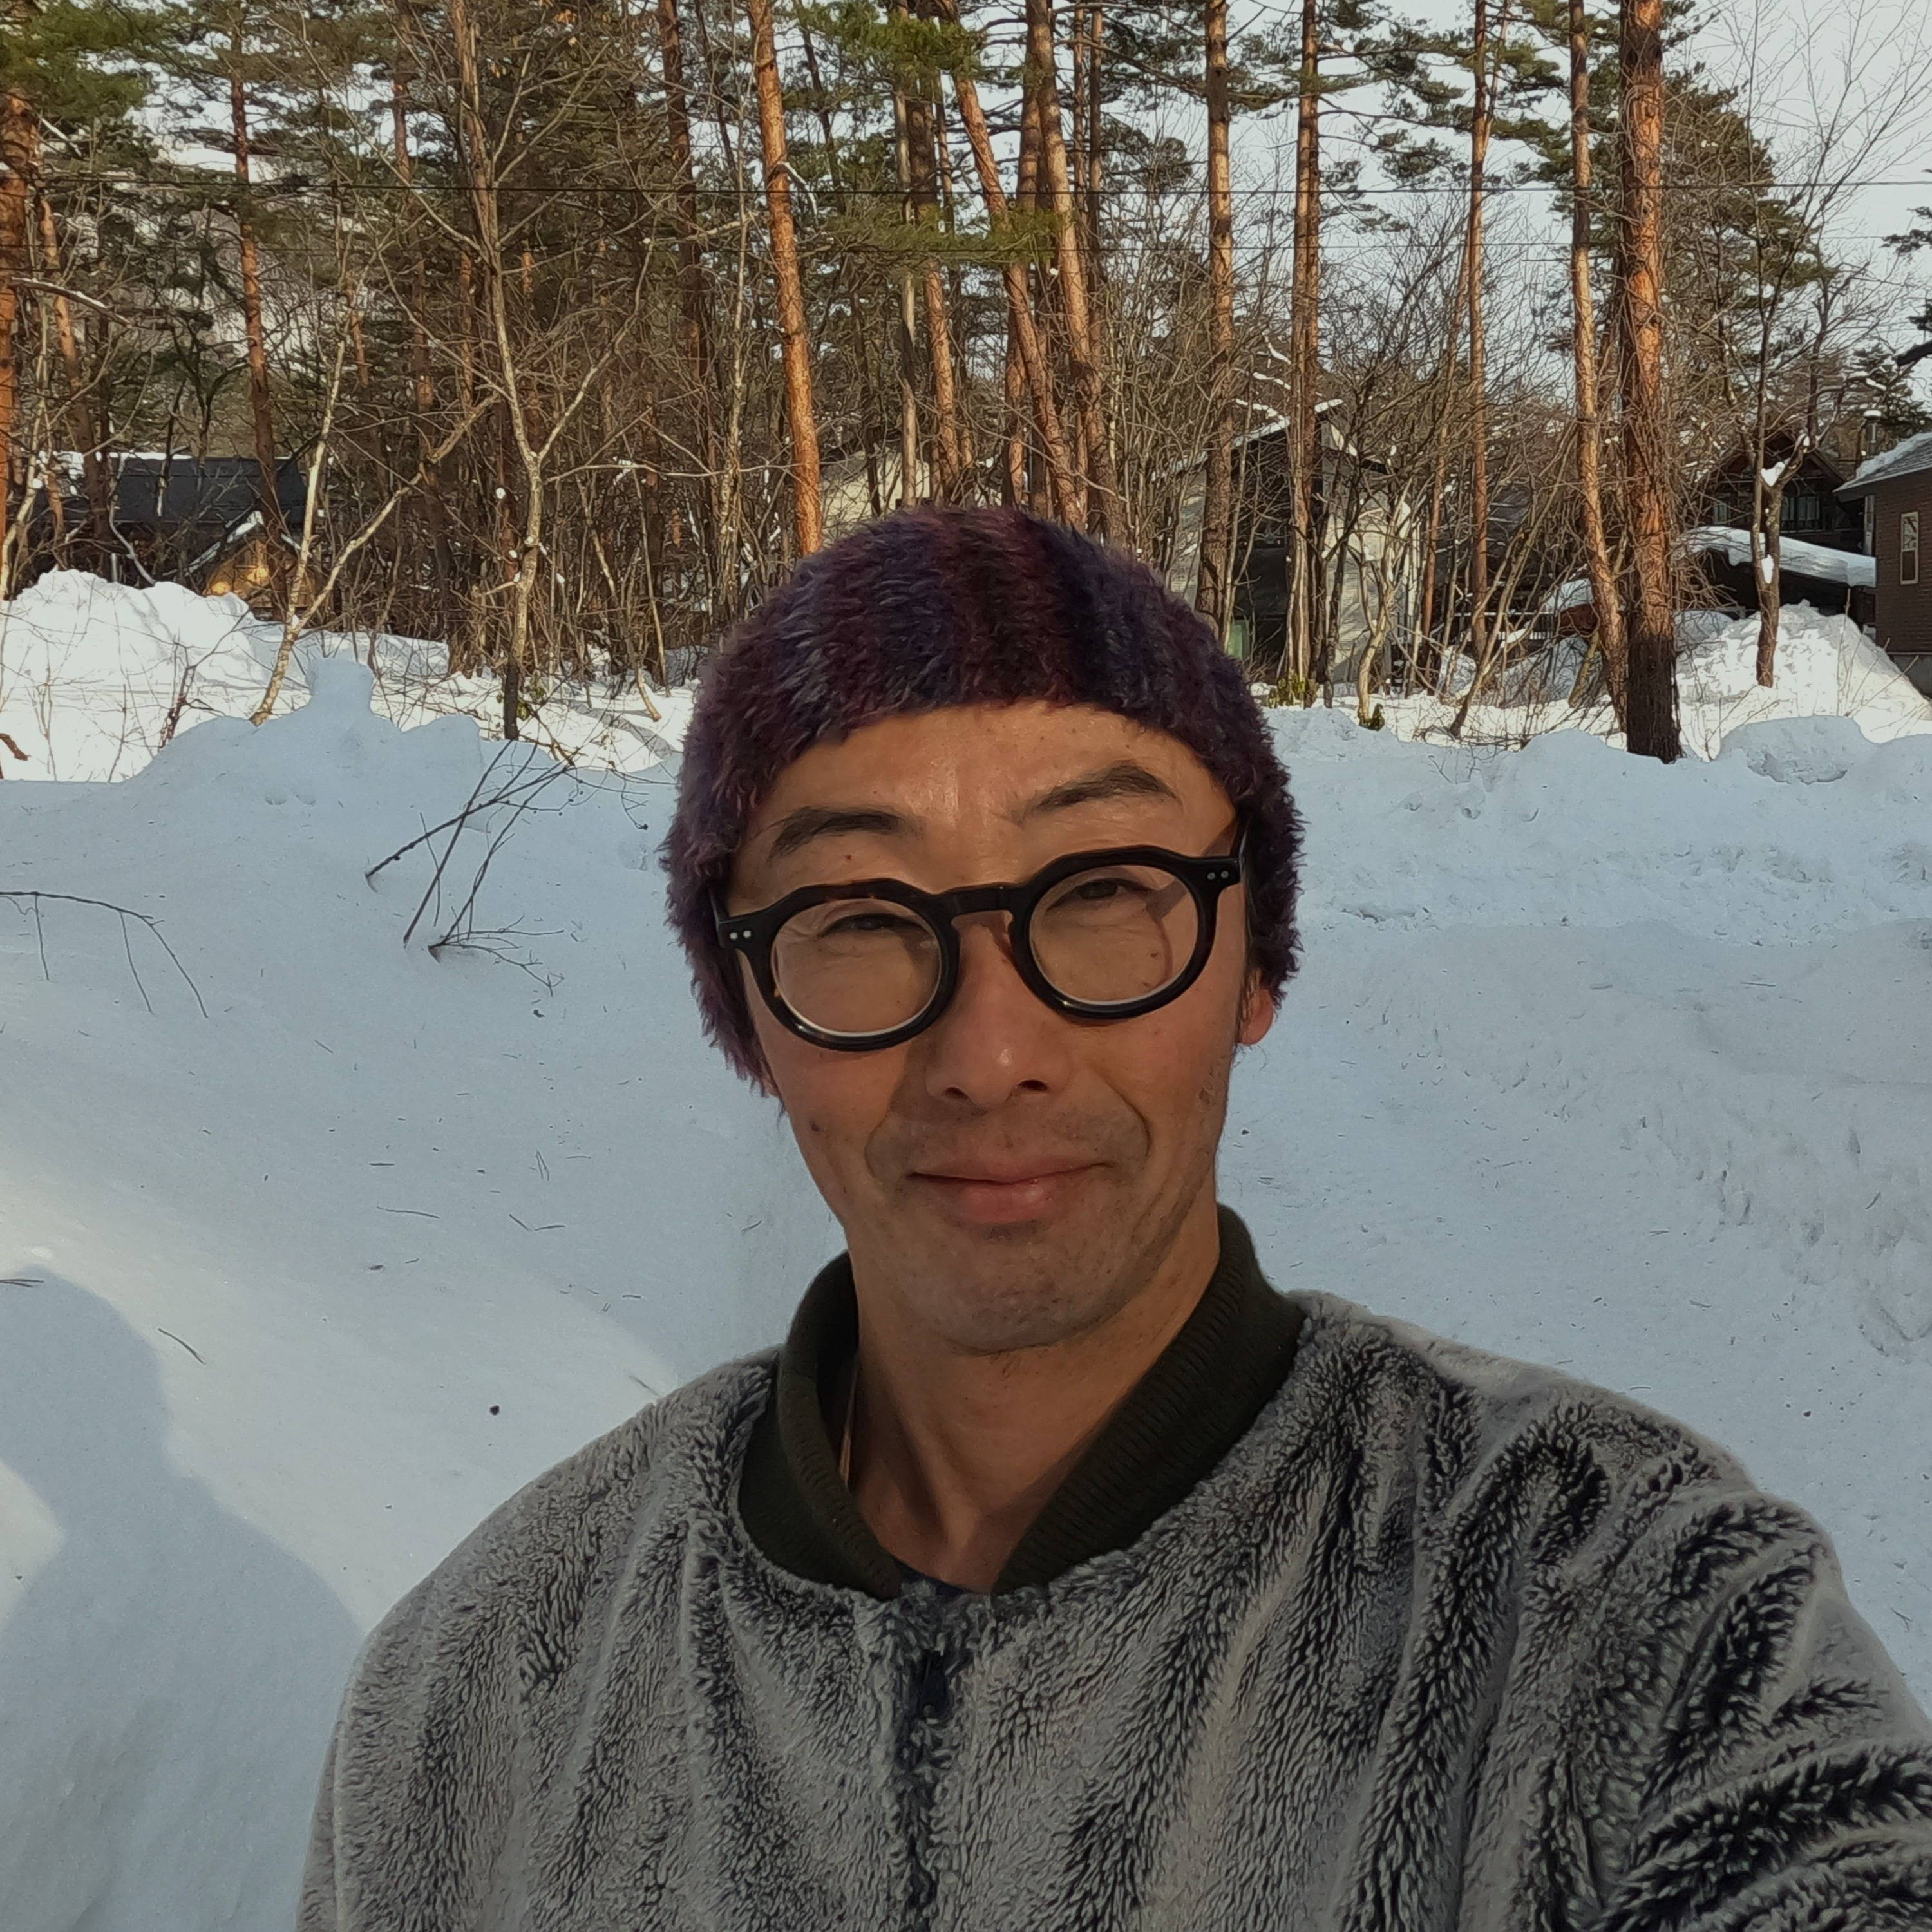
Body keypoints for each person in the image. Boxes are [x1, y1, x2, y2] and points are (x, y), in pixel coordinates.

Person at [299, 506, 1932, 1931]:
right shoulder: (484, 1689)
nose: (990, 1055)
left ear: (1252, 966)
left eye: (1099, 894)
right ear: (751, 1004)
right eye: (860, 916)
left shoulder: (1633, 1615)